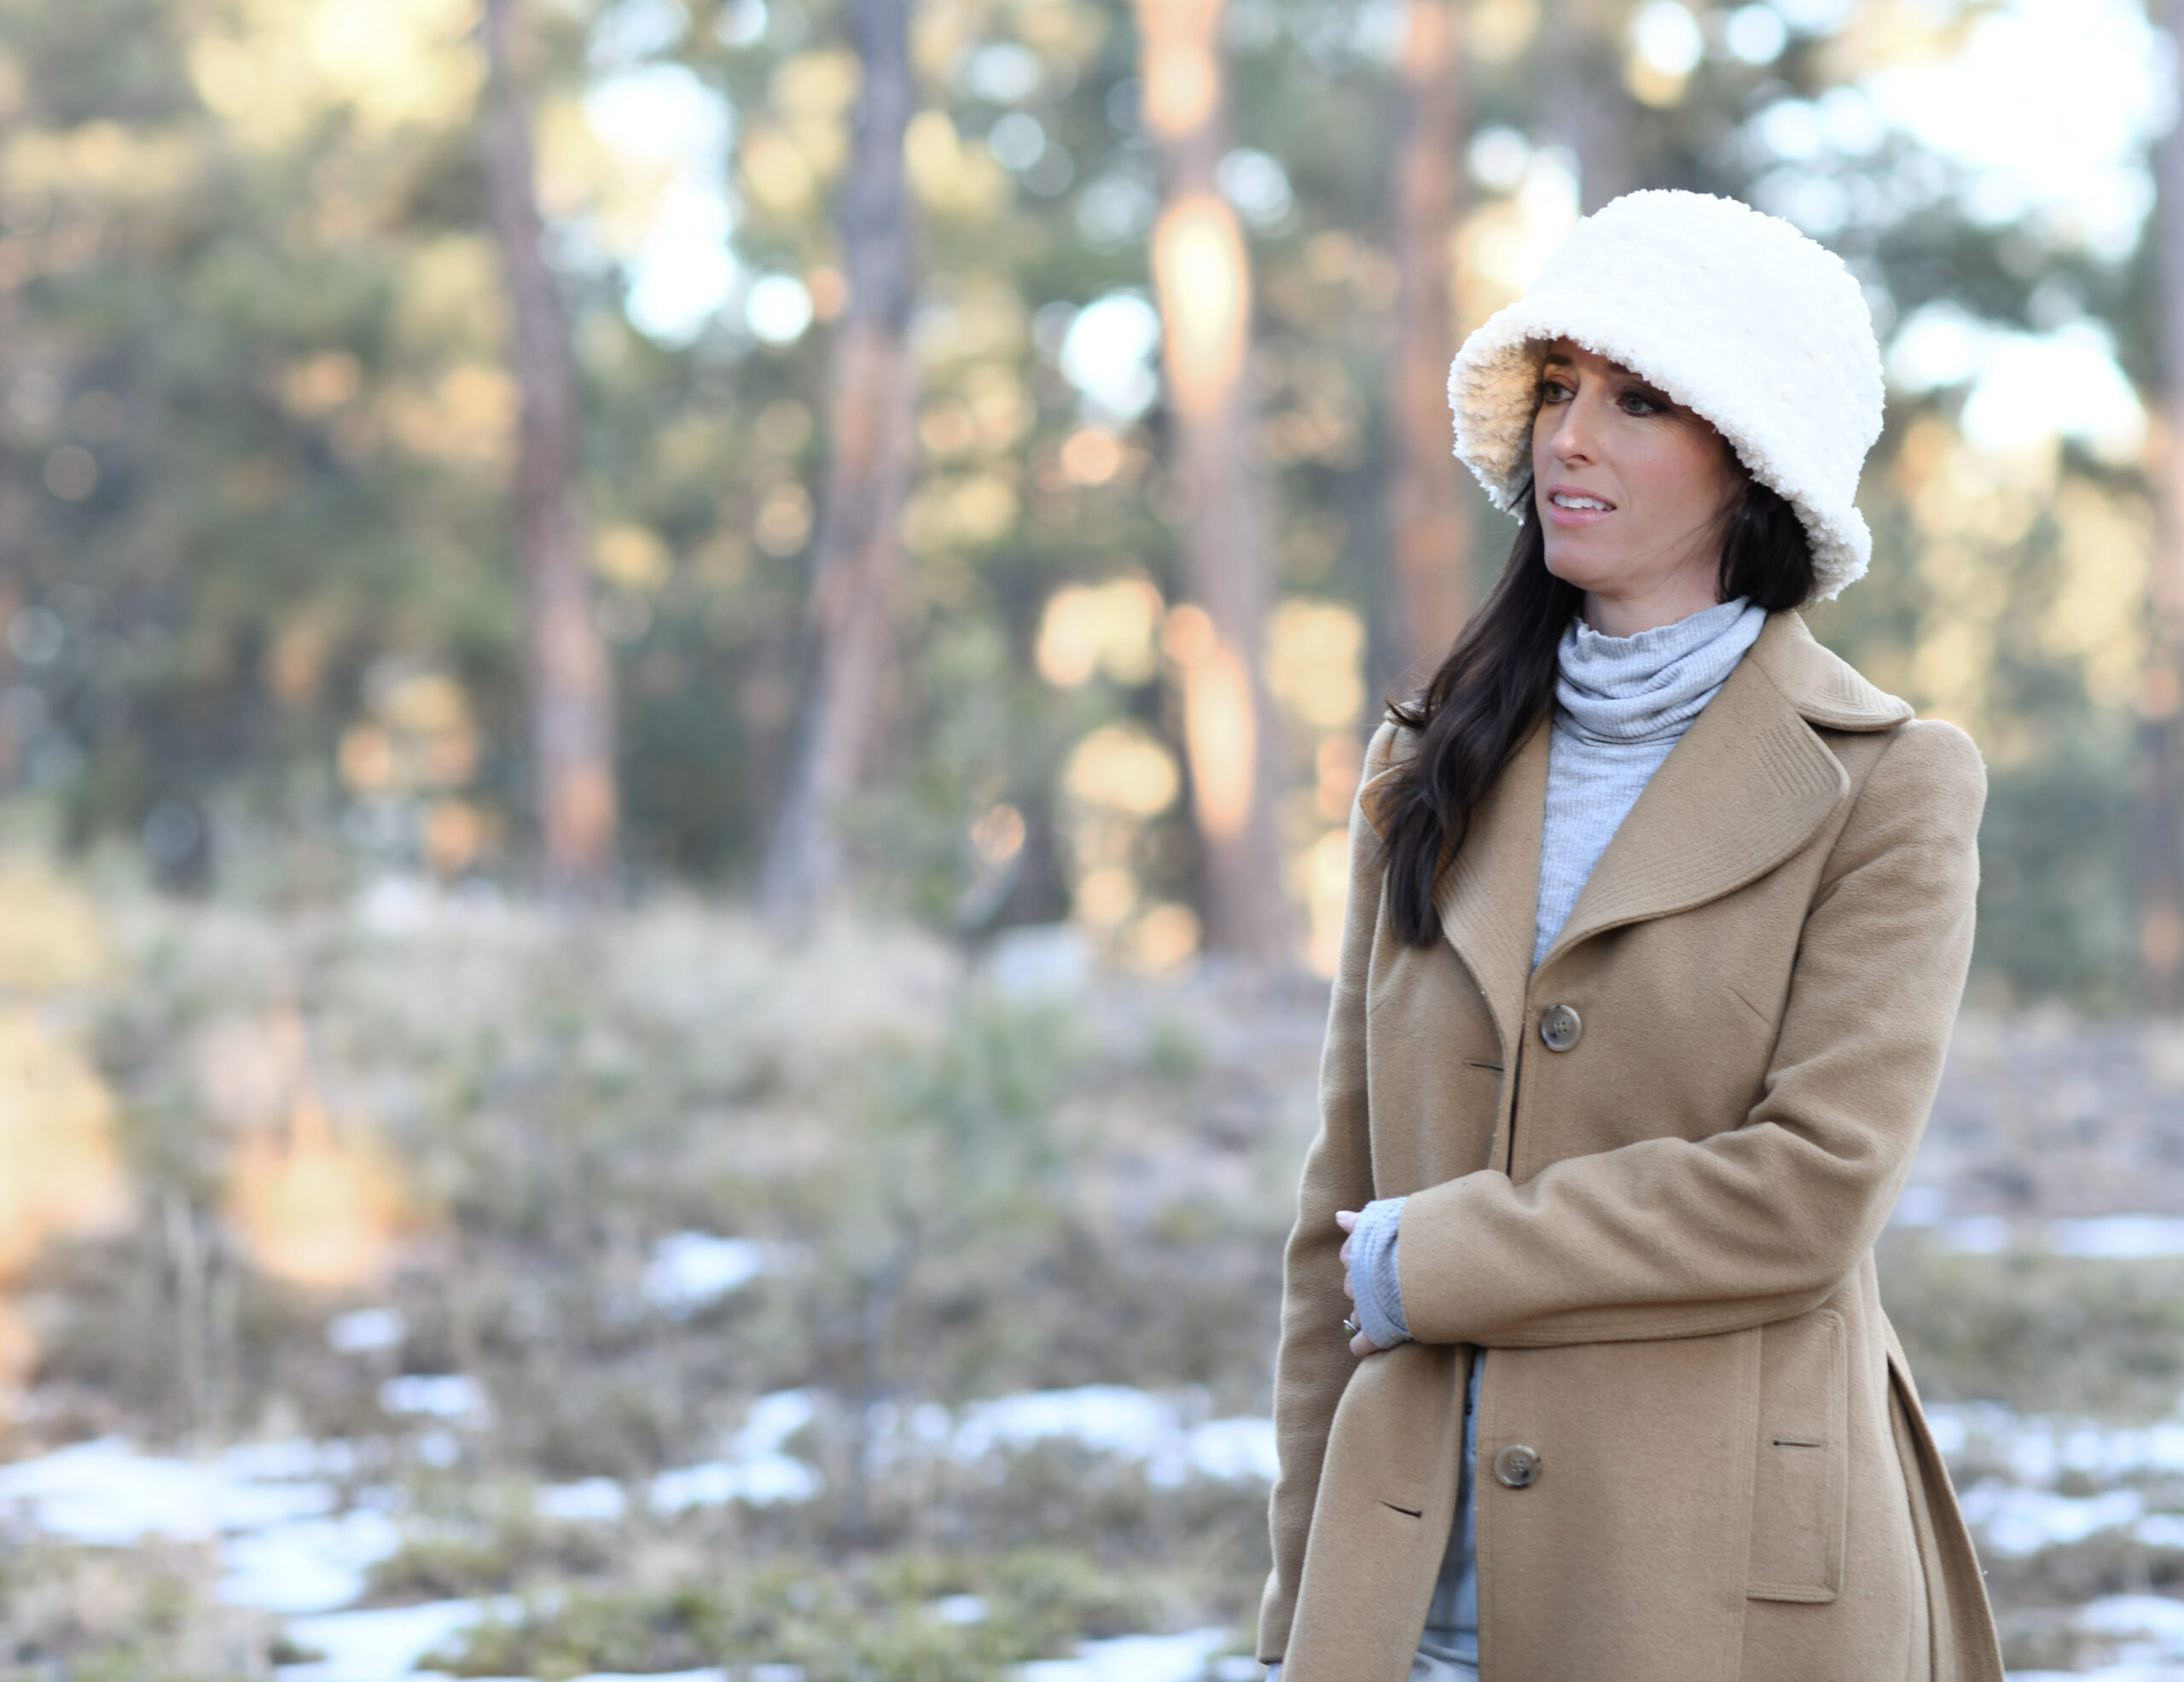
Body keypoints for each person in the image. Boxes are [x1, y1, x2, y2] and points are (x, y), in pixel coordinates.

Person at [1257, 191, 2004, 1682]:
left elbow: (1810, 1196)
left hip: (1710, 1590)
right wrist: (1301, 1602)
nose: (1570, 438)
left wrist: (1450, 1253)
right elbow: (1339, 1215)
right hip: (1406, 1590)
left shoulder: (1891, 780)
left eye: (1640, 400)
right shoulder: (1428, 765)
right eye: (1559, 391)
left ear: (1754, 463)